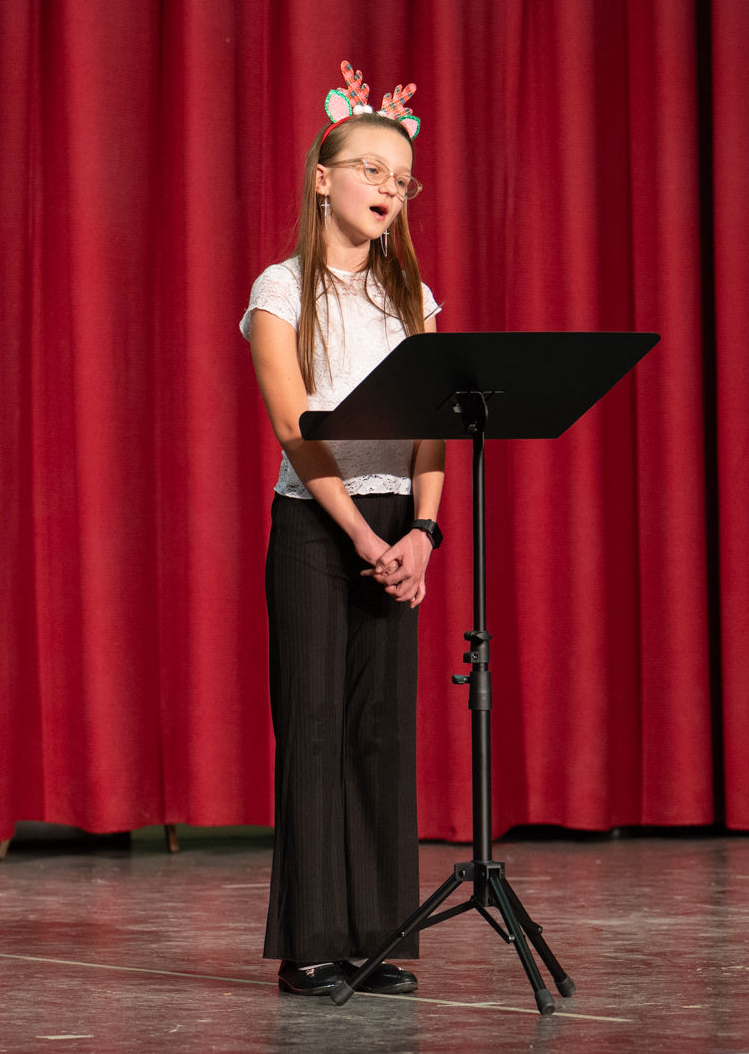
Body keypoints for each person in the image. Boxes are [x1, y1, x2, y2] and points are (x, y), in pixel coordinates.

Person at [241, 62, 444, 997]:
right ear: (324, 179)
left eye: (401, 180)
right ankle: (311, 945)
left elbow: (437, 425)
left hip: (398, 526)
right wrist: (363, 538)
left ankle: (375, 937)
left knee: (379, 734)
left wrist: (423, 533)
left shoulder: (413, 298)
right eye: (371, 171)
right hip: (318, 527)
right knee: (316, 730)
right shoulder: (281, 290)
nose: (388, 191)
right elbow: (297, 428)